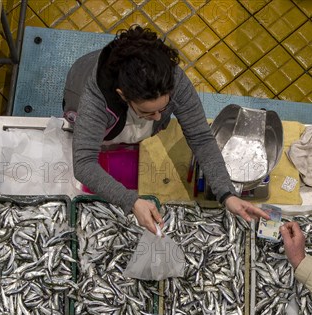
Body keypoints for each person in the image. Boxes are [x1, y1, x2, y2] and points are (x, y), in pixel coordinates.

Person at [63, 25, 268, 234]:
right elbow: (84, 163)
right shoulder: (91, 103)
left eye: (163, 108)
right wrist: (131, 201)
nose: (159, 117)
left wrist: (227, 193)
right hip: (97, 111)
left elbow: (200, 137)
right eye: (148, 112)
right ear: (122, 95)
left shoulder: (171, 79)